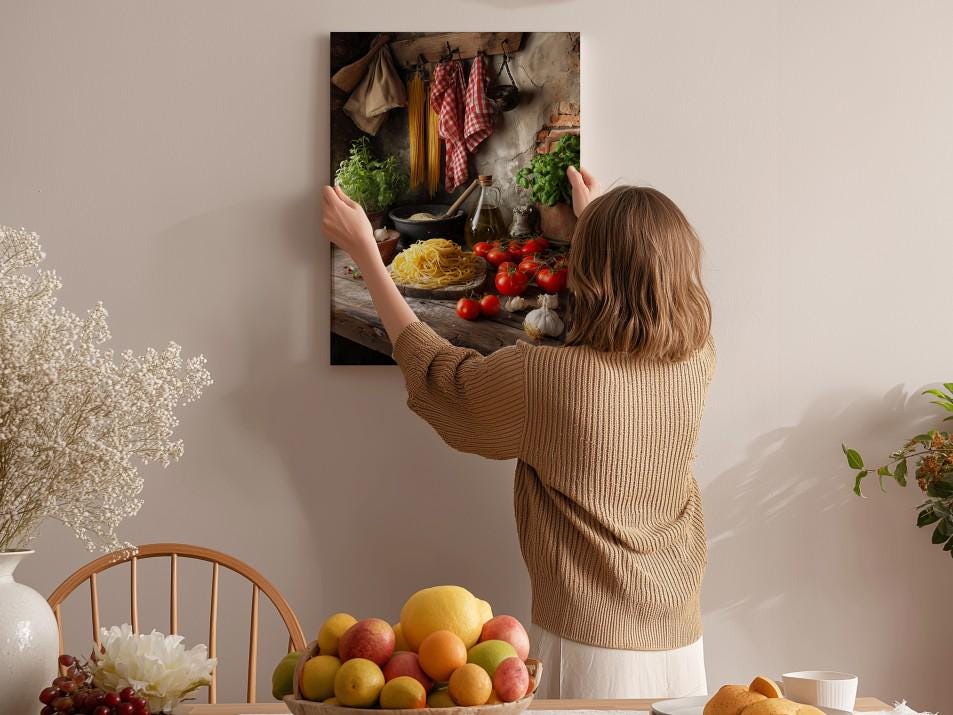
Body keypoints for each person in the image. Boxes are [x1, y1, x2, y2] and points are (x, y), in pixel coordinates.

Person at [321, 166, 715, 699]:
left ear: (588, 269)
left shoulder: (549, 378)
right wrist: (600, 220)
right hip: (682, 643)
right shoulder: (696, 360)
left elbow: (442, 376)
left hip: (589, 646)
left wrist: (367, 253)